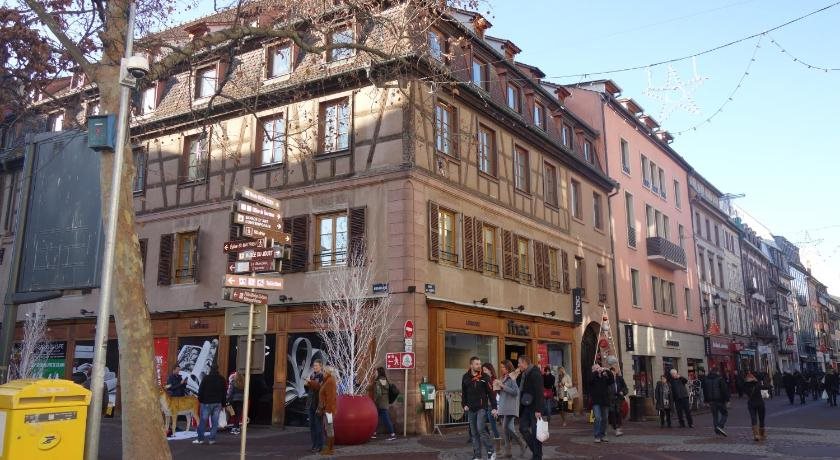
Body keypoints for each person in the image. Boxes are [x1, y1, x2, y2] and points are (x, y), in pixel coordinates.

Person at [462, 356, 497, 460]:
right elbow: (464, 393)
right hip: (470, 408)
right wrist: (464, 404)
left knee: (480, 429)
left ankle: (491, 451)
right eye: (477, 364)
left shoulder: (485, 377)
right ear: (471, 365)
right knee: (474, 433)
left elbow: (491, 394)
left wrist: (494, 407)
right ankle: (477, 455)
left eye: (479, 363)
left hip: (482, 407)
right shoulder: (465, 377)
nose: (479, 365)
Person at [496, 360, 527, 459]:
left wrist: (502, 386)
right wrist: (498, 389)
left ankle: (521, 443)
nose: (501, 369)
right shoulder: (503, 377)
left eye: (503, 367)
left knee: (505, 427)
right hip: (504, 406)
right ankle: (508, 452)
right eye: (501, 367)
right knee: (506, 430)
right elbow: (504, 393)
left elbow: (515, 392)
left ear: (508, 368)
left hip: (510, 407)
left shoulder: (512, 377)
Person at [517, 355, 544, 460]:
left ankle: (537, 456)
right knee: (522, 428)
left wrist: (538, 410)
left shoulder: (535, 373)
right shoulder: (525, 374)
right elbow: (522, 389)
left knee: (536, 433)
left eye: (519, 363)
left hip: (534, 408)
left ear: (524, 363)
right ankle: (537, 452)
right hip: (526, 406)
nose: (518, 365)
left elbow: (539, 393)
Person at [193, 364, 226, 446]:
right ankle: (212, 439)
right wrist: (223, 403)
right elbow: (224, 393)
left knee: (203, 421)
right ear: (218, 369)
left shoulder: (206, 378)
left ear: (210, 369)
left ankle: (200, 439)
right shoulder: (222, 379)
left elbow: (200, 390)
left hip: (206, 403)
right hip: (217, 403)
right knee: (215, 422)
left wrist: (200, 400)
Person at [702, 368, 730, 437]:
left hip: (711, 401)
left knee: (715, 416)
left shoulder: (706, 379)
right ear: (717, 372)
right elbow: (724, 390)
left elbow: (705, 391)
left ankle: (717, 431)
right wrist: (727, 400)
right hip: (720, 400)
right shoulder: (720, 379)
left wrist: (706, 401)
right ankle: (720, 426)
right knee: (725, 414)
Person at [371, 367, 397, 441]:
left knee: (386, 419)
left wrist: (375, 401)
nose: (375, 373)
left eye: (376, 372)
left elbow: (378, 393)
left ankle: (392, 434)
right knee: (376, 418)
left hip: (380, 402)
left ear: (378, 373)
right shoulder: (386, 380)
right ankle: (374, 433)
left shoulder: (378, 382)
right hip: (385, 401)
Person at [305, 360, 325, 452]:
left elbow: (319, 388)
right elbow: (309, 390)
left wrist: (310, 382)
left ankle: (319, 445)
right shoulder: (312, 375)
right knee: (312, 425)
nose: (315, 367)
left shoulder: (322, 376)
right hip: (310, 403)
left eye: (316, 365)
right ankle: (314, 444)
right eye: (314, 365)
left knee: (318, 425)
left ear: (321, 366)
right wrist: (306, 384)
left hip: (318, 404)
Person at [589, 363, 613, 443]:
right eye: (596, 368)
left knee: (605, 418)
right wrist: (596, 372)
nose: (598, 369)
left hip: (605, 401)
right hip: (596, 401)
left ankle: (603, 435)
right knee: (598, 418)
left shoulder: (604, 377)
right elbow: (590, 380)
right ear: (593, 370)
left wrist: (608, 371)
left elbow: (611, 381)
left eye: (599, 368)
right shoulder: (592, 377)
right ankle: (597, 435)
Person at [318, 366, 338, 455]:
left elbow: (331, 397)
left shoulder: (330, 381)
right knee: (328, 428)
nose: (322, 372)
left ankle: (330, 449)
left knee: (329, 428)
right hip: (327, 409)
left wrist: (328, 410)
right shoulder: (327, 380)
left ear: (328, 372)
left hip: (329, 410)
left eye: (324, 371)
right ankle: (329, 448)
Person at [743, 370, 769, 442]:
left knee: (753, 418)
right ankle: (762, 433)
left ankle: (756, 435)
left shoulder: (746, 387)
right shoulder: (759, 385)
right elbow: (766, 395)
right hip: (760, 403)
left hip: (751, 404)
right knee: (761, 419)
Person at [606, 359, 627, 437]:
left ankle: (618, 427)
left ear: (615, 373)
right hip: (610, 399)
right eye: (610, 373)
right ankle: (616, 428)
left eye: (613, 373)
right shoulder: (607, 380)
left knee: (618, 413)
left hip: (618, 398)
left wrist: (623, 392)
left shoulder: (620, 379)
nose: (612, 374)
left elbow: (625, 388)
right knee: (612, 413)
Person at [482, 363, 501, 443]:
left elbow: (495, 393)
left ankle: (497, 438)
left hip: (492, 404)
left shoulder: (494, 380)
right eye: (483, 370)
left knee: (492, 424)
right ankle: (488, 436)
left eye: (485, 370)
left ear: (490, 370)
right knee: (482, 421)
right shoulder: (483, 379)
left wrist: (495, 407)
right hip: (485, 404)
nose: (483, 372)